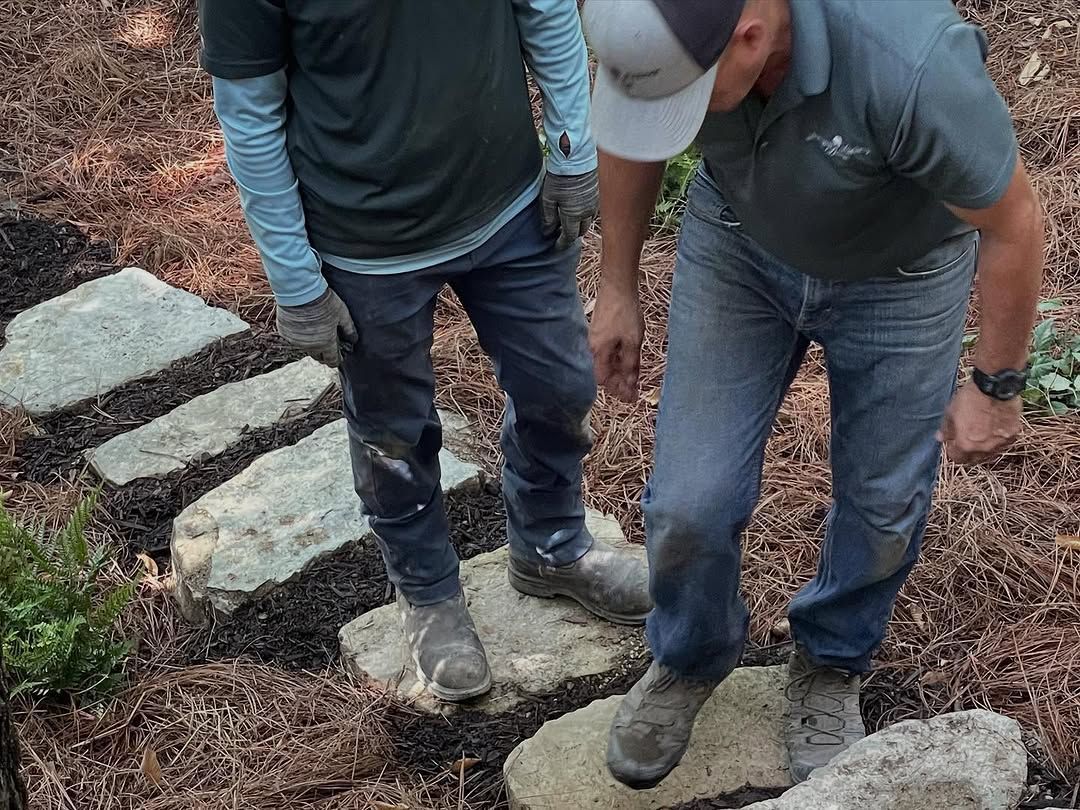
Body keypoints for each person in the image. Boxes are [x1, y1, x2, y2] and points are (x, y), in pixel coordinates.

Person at [583, 0, 1043, 788]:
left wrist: (995, 383)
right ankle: (689, 656)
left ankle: (832, 660)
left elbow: (1016, 221)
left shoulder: (911, 64)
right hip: (738, 247)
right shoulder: (664, 31)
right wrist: (617, 283)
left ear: (753, 38)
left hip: (902, 277)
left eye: (686, 99)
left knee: (882, 501)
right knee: (690, 500)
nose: (674, 117)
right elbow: (633, 132)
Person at [198, 0, 651, 703]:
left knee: (560, 386)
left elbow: (547, 7)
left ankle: (552, 546)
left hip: (510, 205)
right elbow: (250, 113)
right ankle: (429, 594)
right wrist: (293, 278)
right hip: (363, 244)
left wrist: (571, 146)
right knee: (393, 433)